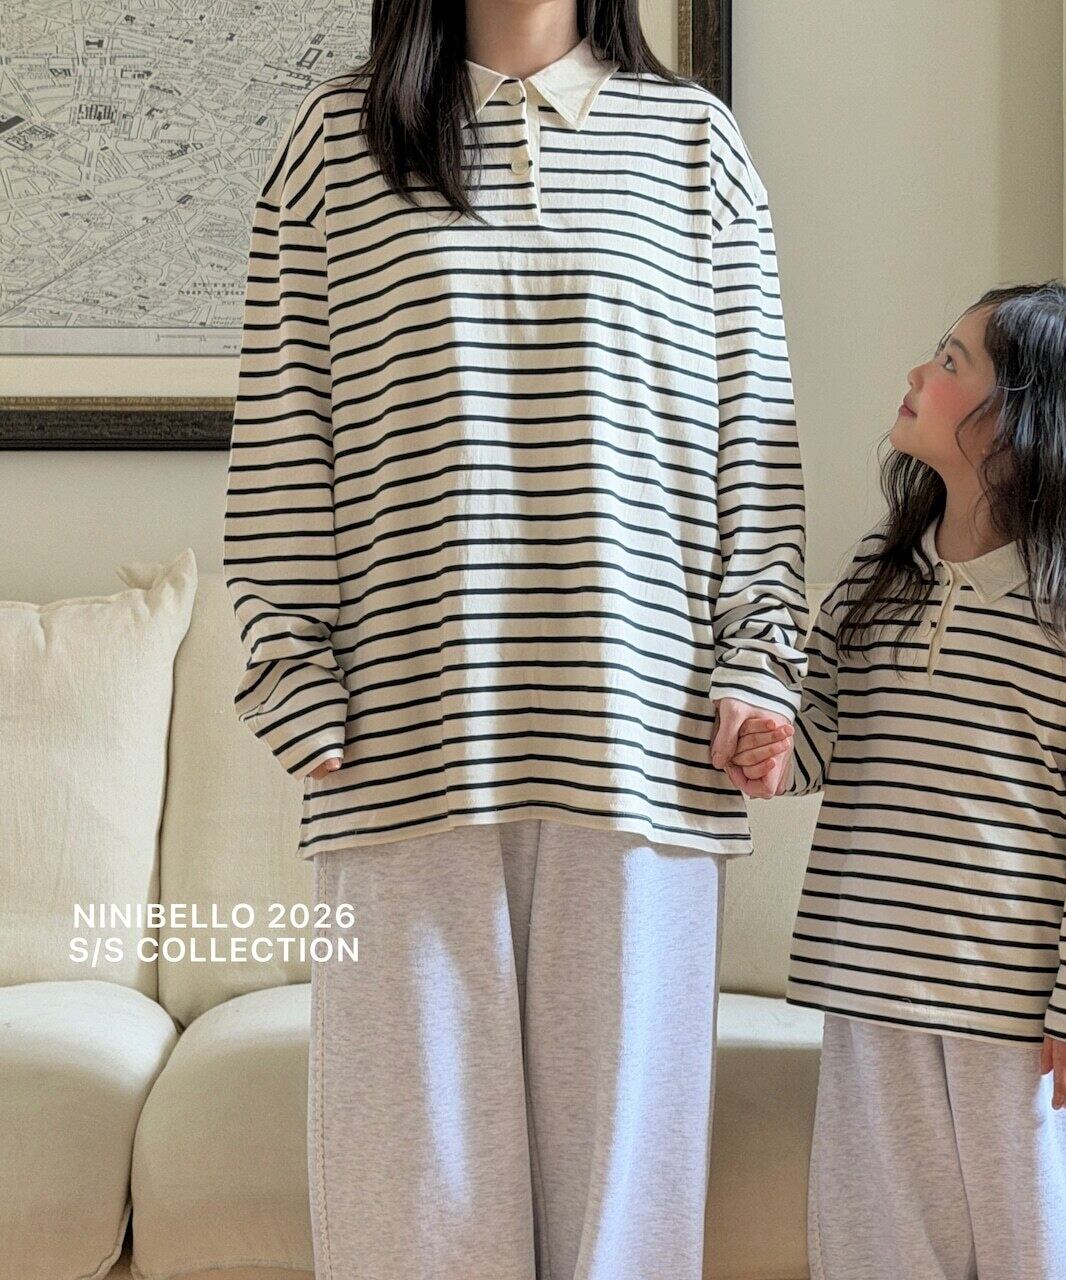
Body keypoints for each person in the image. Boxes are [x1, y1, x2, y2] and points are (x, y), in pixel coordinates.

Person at [222, 0, 805, 1276]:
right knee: (412, 1202)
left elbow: (754, 445)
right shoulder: (334, 140)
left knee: (621, 1211)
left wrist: (759, 665)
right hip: (400, 744)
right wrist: (294, 675)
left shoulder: (692, 144)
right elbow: (282, 433)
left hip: (646, 742)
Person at [733, 281, 1066, 1280]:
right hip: (870, 982)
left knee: (1034, 1242)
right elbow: (819, 742)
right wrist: (769, 751)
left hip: (1019, 1017)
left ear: (1026, 424)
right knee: (875, 1236)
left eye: (951, 362)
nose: (917, 372)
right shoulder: (878, 576)